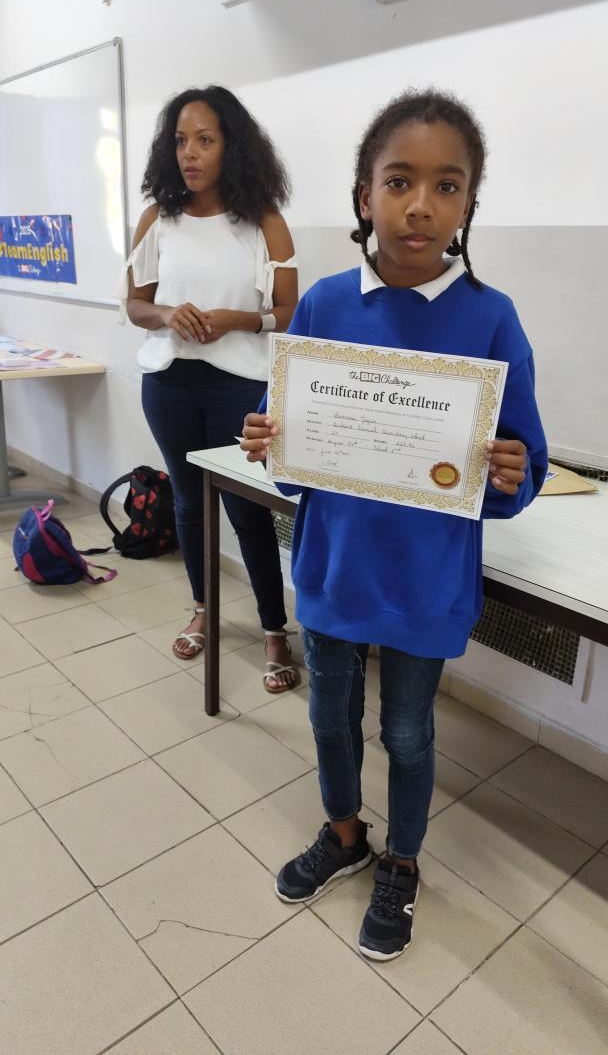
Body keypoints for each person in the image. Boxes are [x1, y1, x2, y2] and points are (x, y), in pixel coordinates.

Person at [241, 89, 548, 960]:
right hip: (335, 566)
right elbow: (292, 453)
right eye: (399, 181)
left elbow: (523, 463)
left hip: (424, 579)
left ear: (468, 203)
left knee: (407, 732)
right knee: (328, 717)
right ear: (364, 193)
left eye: (447, 186)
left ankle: (402, 861)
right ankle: (344, 835)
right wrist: (269, 439)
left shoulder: (490, 316)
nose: (421, 205)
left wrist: (512, 472)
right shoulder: (324, 304)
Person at [121, 86, 299, 691]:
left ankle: (273, 629)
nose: (189, 154)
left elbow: (288, 313)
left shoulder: (264, 222)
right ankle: (203, 609)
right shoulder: (157, 220)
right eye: (180, 141)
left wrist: (235, 320)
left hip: (239, 389)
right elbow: (135, 306)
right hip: (169, 384)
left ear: (232, 147)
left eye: (204, 140)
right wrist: (167, 314)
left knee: (248, 511)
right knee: (189, 505)